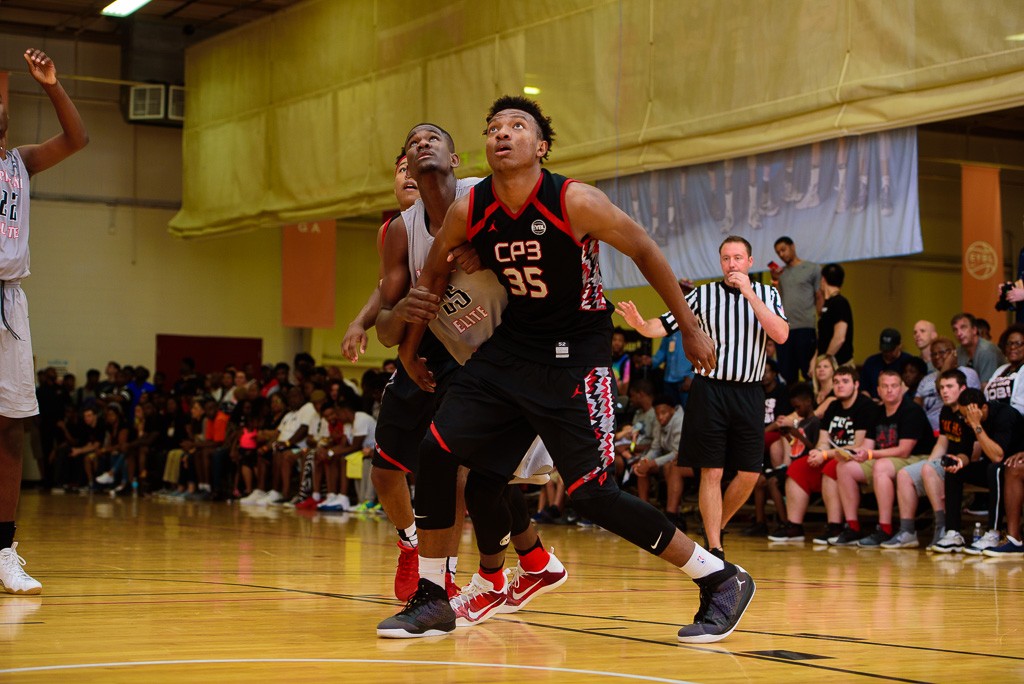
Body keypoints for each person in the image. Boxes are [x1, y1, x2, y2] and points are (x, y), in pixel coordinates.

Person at [381, 96, 754, 645]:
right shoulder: (472, 207)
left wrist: (690, 325)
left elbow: (645, 250)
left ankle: (720, 578)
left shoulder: (574, 200)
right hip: (511, 350)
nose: (502, 135)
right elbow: (432, 273)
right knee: (439, 450)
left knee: (590, 492)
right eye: (493, 129)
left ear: (541, 146)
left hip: (574, 355)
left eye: (516, 127)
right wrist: (410, 349)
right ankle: (433, 597)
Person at [374, 122, 565, 624]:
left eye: (432, 138)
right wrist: (404, 344)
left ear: (457, 160)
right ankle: (509, 571)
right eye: (412, 142)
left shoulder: (484, 198)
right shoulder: (402, 230)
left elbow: (540, 254)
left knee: (489, 478)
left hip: (524, 352)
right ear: (405, 170)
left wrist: (493, 250)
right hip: (467, 359)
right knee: (472, 472)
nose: (421, 145)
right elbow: (398, 315)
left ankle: (501, 574)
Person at [0, 48, 88, 595]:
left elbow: (77, 139)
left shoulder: (19, 163)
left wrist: (53, 85)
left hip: (9, 301)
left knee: (10, 430)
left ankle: (4, 550)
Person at [768, 367, 872, 543]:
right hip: (831, 455)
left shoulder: (864, 406)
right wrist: (818, 451)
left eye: (845, 382)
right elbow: (823, 439)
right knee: (797, 468)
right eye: (837, 382)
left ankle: (835, 527)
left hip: (853, 458)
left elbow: (857, 445)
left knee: (832, 468)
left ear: (856, 385)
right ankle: (794, 527)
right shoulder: (833, 406)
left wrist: (825, 454)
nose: (840, 386)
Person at [831, 370, 934, 547]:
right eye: (885, 386)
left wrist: (869, 455)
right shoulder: (877, 412)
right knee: (844, 468)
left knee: (881, 466)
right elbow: (867, 447)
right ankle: (853, 527)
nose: (890, 390)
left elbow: (904, 450)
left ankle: (885, 529)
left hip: (917, 458)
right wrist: (851, 454)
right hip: (885, 458)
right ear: (878, 390)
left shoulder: (911, 411)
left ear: (902, 388)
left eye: (894, 386)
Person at [881, 370, 970, 549]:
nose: (944, 391)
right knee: (905, 473)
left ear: (962, 389)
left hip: (966, 462)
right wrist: (929, 463)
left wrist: (930, 467)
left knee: (928, 469)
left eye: (950, 387)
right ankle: (907, 531)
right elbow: (942, 443)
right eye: (942, 387)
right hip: (946, 460)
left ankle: (943, 527)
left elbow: (975, 450)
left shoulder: (969, 410)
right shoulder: (946, 410)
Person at [931, 388, 1024, 553]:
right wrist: (958, 460)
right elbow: (965, 453)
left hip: (1011, 468)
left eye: (969, 415)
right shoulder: (967, 419)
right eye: (963, 416)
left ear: (984, 409)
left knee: (994, 469)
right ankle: (953, 533)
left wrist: (976, 425)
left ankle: (993, 533)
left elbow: (997, 456)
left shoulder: (1004, 415)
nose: (966, 420)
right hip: (993, 468)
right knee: (955, 471)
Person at [769, 236, 819, 383]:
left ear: (793, 247)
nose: (781, 254)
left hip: (805, 326)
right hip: (785, 330)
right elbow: (776, 300)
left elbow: (819, 296)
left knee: (808, 371)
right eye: (778, 252)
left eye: (783, 250)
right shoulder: (780, 274)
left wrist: (819, 319)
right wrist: (775, 280)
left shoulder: (811, 268)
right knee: (787, 374)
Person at [914, 336, 981, 433]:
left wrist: (948, 364)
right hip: (927, 432)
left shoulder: (967, 373)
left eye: (941, 353)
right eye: (933, 354)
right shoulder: (926, 379)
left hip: (956, 429)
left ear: (953, 353)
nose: (937, 357)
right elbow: (915, 406)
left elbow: (939, 388)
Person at [859, 329, 914, 400]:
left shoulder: (909, 362)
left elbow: (911, 389)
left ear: (899, 346)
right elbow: (863, 388)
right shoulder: (871, 362)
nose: (888, 353)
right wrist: (870, 402)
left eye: (891, 350)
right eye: (885, 350)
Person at [951, 312, 1005, 385]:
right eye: (955, 330)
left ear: (974, 330)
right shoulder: (959, 350)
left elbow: (986, 386)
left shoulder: (986, 350)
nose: (959, 333)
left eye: (963, 327)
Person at [816, 263, 853, 366]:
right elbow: (823, 337)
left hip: (838, 364)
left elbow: (839, 337)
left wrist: (827, 360)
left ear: (823, 280)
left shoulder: (839, 302)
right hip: (826, 361)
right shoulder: (828, 304)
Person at [984, 323, 1024, 414]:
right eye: (1009, 343)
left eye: (1018, 343)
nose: (1012, 347)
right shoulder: (1001, 369)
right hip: (993, 418)